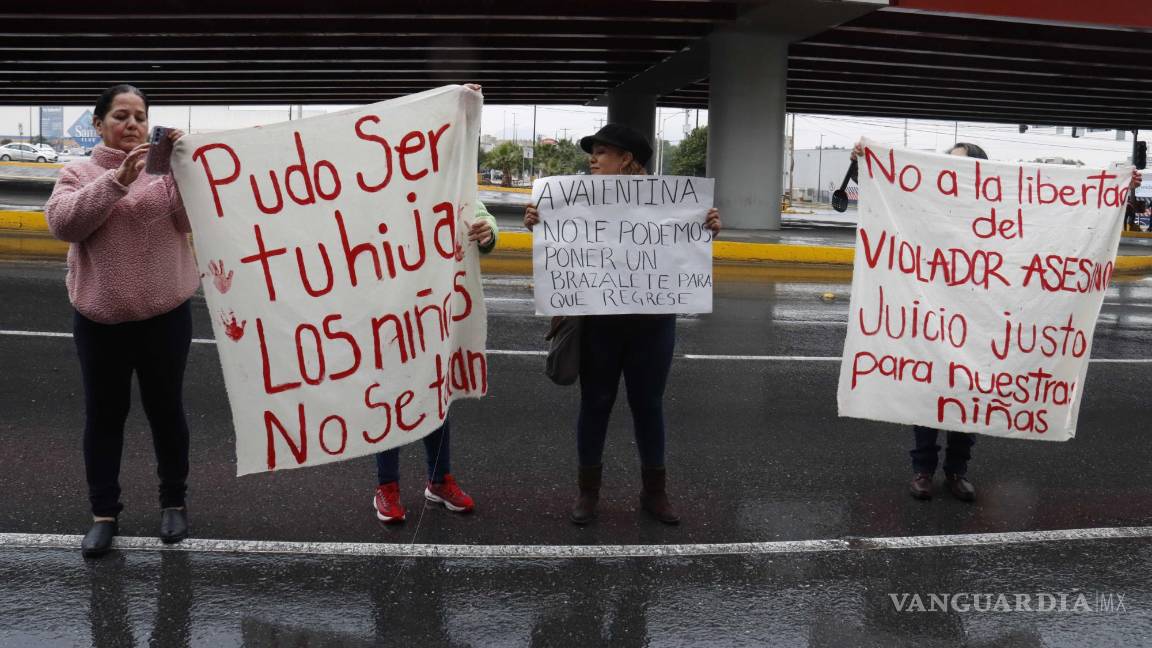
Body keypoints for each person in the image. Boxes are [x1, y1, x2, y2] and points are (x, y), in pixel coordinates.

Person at [524, 124, 721, 525]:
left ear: (628, 159)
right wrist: (539, 222)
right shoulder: (572, 198)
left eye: (602, 152)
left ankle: (655, 493)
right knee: (595, 404)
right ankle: (587, 494)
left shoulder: (671, 202)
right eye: (592, 152)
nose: (592, 159)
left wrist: (708, 226)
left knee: (648, 406)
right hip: (600, 324)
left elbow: (681, 249)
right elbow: (564, 241)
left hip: (653, 325)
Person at [44, 85, 196, 557]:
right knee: (105, 417)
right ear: (99, 124)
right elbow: (64, 224)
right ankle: (103, 513)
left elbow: (193, 222)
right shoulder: (78, 172)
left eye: (140, 117)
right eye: (121, 116)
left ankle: (174, 503)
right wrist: (116, 182)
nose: (132, 125)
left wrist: (185, 171)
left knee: (166, 412)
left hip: (164, 316)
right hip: (100, 319)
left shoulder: (166, 175)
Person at [372, 200, 499, 523]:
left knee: (437, 395)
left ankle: (439, 480)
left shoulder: (449, 180)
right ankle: (387, 487)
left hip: (436, 310)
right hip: (391, 309)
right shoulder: (383, 182)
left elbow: (478, 213)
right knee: (393, 397)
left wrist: (488, 232)